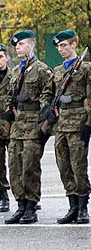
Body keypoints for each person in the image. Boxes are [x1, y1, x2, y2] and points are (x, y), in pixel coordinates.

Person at [41, 30, 91, 224]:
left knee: (78, 166)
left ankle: (83, 207)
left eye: (65, 45)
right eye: (59, 46)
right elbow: (47, 93)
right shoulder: (57, 71)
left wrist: (88, 124)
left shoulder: (85, 68)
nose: (61, 49)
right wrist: (46, 108)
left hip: (78, 123)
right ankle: (72, 205)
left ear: (74, 45)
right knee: (64, 166)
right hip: (61, 125)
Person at [3, 30, 52, 224]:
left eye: (22, 44)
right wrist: (10, 112)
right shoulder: (15, 72)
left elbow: (47, 97)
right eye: (16, 45)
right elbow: (9, 96)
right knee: (15, 166)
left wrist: (42, 124)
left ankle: (31, 206)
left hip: (32, 124)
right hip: (17, 125)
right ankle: (20, 204)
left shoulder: (41, 69)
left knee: (30, 166)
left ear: (31, 45)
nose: (18, 48)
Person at [0, 45, 11, 213]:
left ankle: (27, 197)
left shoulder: (15, 75)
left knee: (22, 162)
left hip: (14, 124)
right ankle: (3, 196)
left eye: (0, 56)